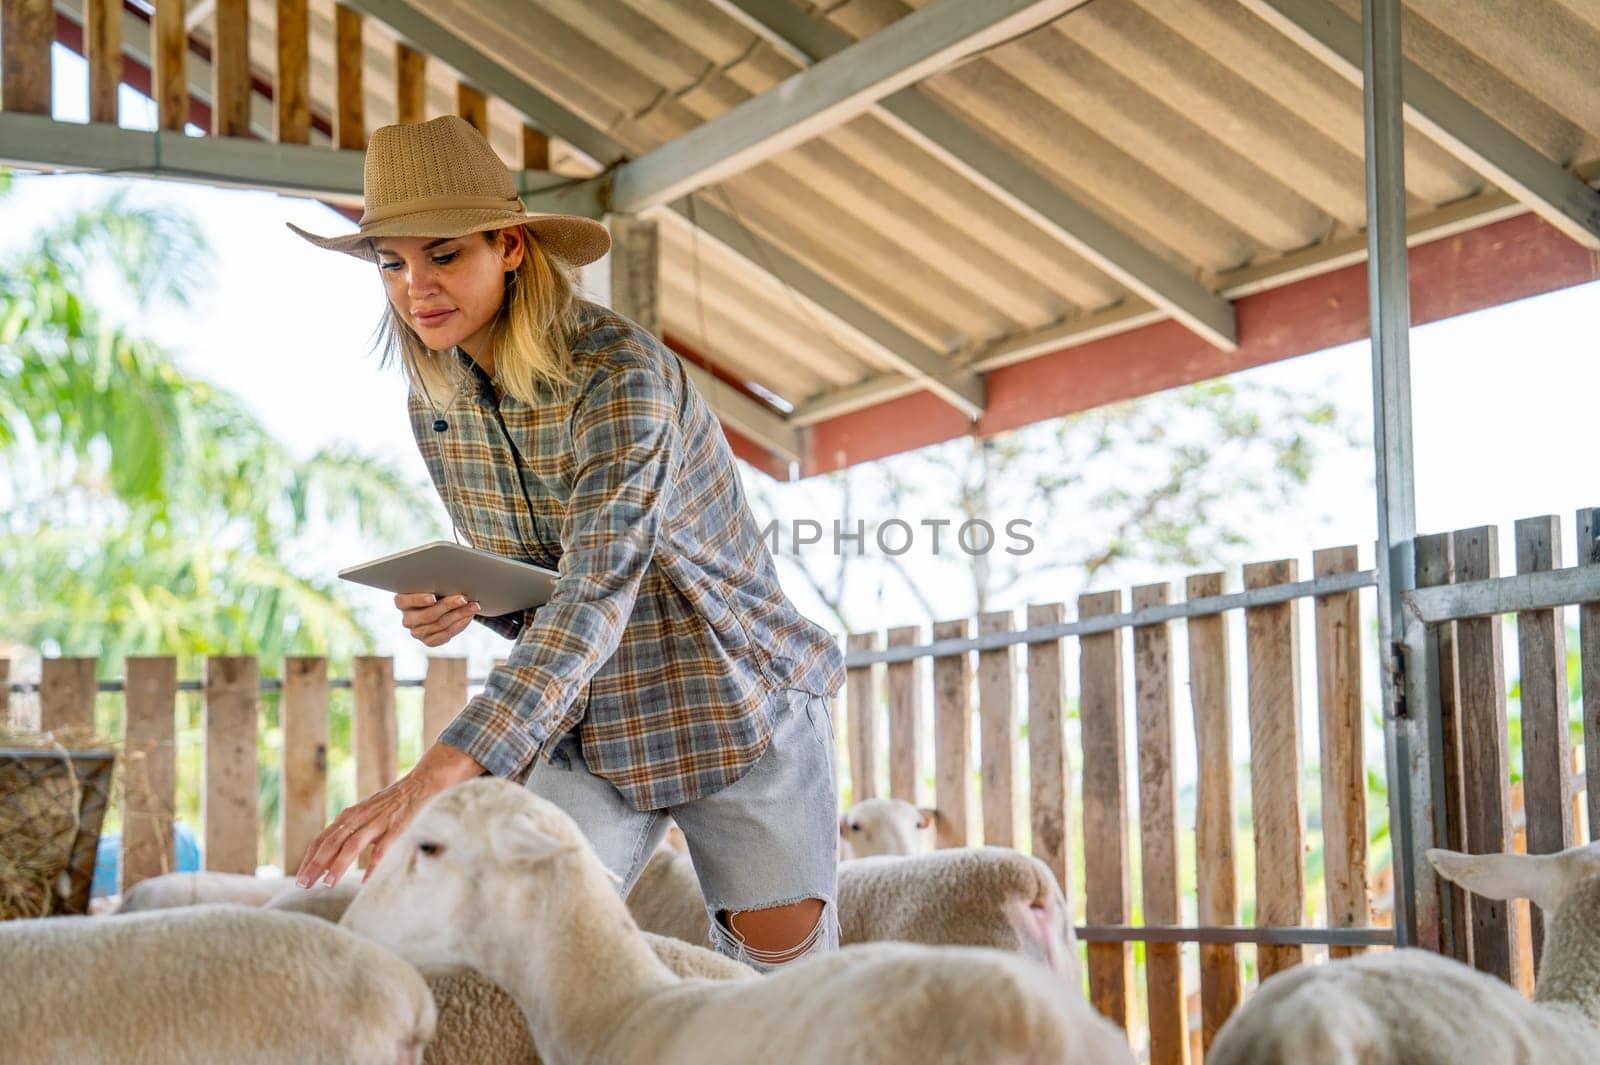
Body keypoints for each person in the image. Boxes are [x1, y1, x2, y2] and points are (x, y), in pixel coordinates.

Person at [288, 116, 844, 969]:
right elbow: (547, 589)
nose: (414, 287)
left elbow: (594, 592)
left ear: (510, 245)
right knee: (516, 962)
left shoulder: (620, 374)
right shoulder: (432, 400)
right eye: (391, 262)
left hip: (736, 706)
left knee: (782, 989)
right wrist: (467, 603)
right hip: (592, 723)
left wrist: (438, 772)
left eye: (442, 254)